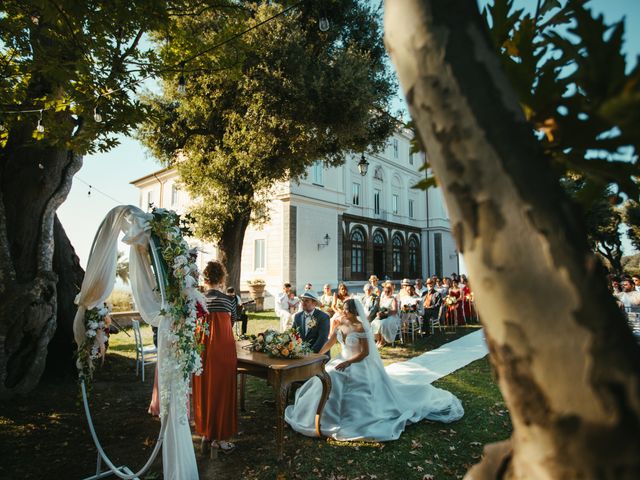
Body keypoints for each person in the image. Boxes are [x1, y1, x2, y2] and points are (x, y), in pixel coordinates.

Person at [284, 299, 464, 441]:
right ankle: (315, 416)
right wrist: (317, 355)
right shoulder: (340, 324)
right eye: (343, 309)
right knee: (324, 378)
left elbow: (365, 353)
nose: (343, 312)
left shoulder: (361, 327)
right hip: (341, 360)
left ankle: (340, 420)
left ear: (354, 312)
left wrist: (348, 363)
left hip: (357, 364)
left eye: (346, 310)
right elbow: (330, 343)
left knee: (336, 379)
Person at [192, 261, 238, 455]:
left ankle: (206, 432)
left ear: (205, 279)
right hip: (223, 350)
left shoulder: (197, 300)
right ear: (221, 279)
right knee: (223, 390)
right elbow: (233, 321)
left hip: (202, 350)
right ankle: (220, 438)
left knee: (204, 389)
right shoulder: (228, 300)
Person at [371, 281, 400, 347]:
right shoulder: (383, 298)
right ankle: (378, 340)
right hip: (383, 315)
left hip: (391, 316)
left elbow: (395, 311)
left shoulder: (393, 299)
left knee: (383, 324)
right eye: (385, 291)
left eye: (388, 291)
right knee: (373, 323)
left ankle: (383, 341)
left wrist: (387, 313)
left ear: (391, 292)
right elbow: (380, 308)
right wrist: (379, 313)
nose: (386, 293)